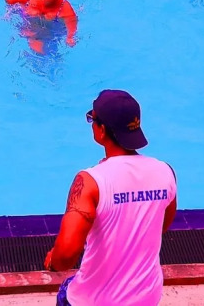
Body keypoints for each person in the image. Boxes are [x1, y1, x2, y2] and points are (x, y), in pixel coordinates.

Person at [45, 90, 177, 306]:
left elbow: (65, 256)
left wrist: (53, 261)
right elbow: (161, 224)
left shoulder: (91, 181)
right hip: (147, 297)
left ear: (102, 130)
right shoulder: (165, 172)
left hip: (94, 301)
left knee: (67, 290)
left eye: (92, 119)